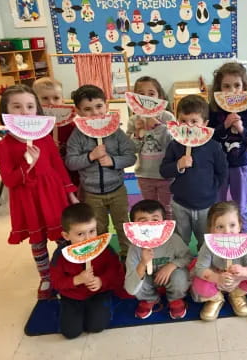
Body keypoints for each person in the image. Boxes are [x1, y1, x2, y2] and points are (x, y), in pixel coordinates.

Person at [0, 84, 78, 299]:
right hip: (27, 198)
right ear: (6, 112)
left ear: (37, 110)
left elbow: (58, 166)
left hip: (52, 194)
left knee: (63, 236)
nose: (24, 112)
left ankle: (68, 271)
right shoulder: (5, 145)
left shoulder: (45, 138)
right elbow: (9, 180)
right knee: (38, 241)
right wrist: (26, 164)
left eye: (30, 106)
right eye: (17, 106)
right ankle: (46, 277)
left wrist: (70, 192)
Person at [65, 85, 136, 260]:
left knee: (123, 225)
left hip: (118, 189)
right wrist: (90, 156)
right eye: (87, 109)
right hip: (92, 194)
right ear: (78, 112)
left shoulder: (116, 133)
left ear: (107, 106)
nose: (95, 113)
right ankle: (103, 259)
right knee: (99, 229)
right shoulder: (77, 136)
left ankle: (127, 258)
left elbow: (131, 157)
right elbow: (70, 162)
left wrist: (113, 161)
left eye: (99, 106)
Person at [160, 95, 228, 250]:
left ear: (205, 124)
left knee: (206, 243)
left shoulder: (214, 147)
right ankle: (179, 266)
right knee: (179, 242)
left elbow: (222, 172)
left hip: (207, 206)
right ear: (177, 122)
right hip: (180, 205)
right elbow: (164, 171)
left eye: (194, 122)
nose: (188, 126)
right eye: (183, 121)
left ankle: (203, 268)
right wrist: (178, 164)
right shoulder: (174, 146)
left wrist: (211, 189)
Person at [50, 203, 125, 339]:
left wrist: (102, 281)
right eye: (80, 234)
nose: (88, 238)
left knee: (96, 327)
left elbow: (116, 271)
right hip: (72, 296)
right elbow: (55, 282)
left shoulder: (105, 249)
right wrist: (76, 280)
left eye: (92, 231)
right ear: (66, 236)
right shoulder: (60, 255)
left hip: (99, 293)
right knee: (70, 333)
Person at [191, 201, 247, 321]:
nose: (227, 231)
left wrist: (243, 272)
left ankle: (237, 294)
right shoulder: (207, 245)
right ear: (211, 229)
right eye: (220, 227)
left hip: (239, 281)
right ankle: (216, 298)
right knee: (198, 284)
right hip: (214, 279)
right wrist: (217, 278)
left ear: (240, 225)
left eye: (232, 225)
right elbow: (200, 269)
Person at [124, 200, 192, 319]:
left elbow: (188, 257)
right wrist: (142, 263)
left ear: (164, 223)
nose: (150, 225)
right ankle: (150, 299)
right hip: (147, 279)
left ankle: (175, 298)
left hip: (170, 275)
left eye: (155, 220)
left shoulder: (173, 239)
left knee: (181, 277)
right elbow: (130, 288)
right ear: (133, 226)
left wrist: (172, 265)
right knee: (136, 282)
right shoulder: (134, 248)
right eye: (143, 221)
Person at [208, 62, 247, 233]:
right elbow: (208, 137)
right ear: (218, 89)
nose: (232, 91)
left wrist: (241, 128)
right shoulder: (212, 110)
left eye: (237, 85)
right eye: (226, 86)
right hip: (218, 166)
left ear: (244, 87)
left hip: (239, 164)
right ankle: (216, 240)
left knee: (240, 206)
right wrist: (224, 126)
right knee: (217, 206)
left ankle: (244, 239)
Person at [126, 76, 176, 219]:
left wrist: (158, 126)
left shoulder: (167, 117)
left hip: (165, 175)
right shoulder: (133, 120)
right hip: (144, 174)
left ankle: (170, 234)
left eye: (151, 94)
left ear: (159, 96)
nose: (146, 98)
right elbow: (131, 149)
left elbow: (173, 143)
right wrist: (137, 133)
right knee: (151, 209)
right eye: (141, 95)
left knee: (168, 208)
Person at [32, 77, 79, 185]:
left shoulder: (71, 126)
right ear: (35, 101)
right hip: (45, 179)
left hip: (70, 177)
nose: (51, 102)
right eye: (45, 98)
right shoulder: (33, 128)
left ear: (62, 99)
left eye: (56, 98)